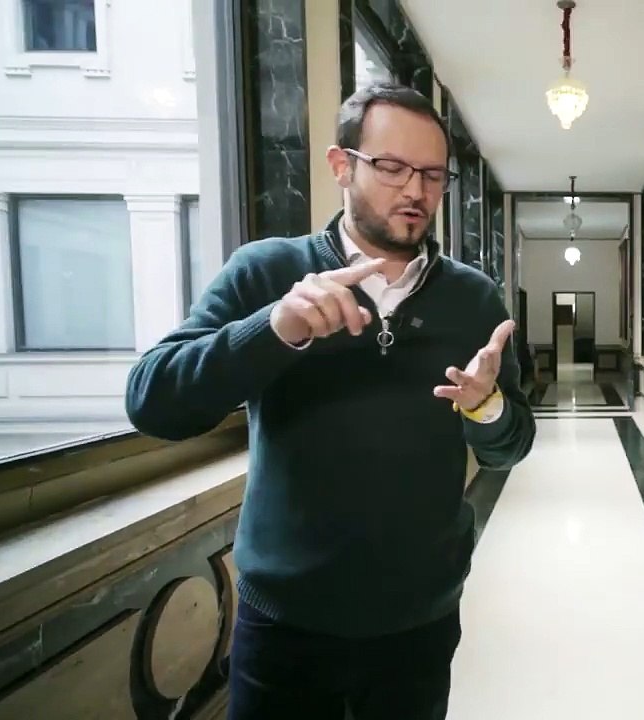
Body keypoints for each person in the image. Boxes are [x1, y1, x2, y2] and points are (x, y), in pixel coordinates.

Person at [125, 83, 536, 720]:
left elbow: (511, 445)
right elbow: (154, 401)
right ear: (341, 165)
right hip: (285, 622)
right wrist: (275, 329)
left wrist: (486, 408)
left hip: (417, 622)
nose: (415, 191)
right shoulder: (267, 273)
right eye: (392, 167)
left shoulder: (474, 300)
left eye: (432, 174)